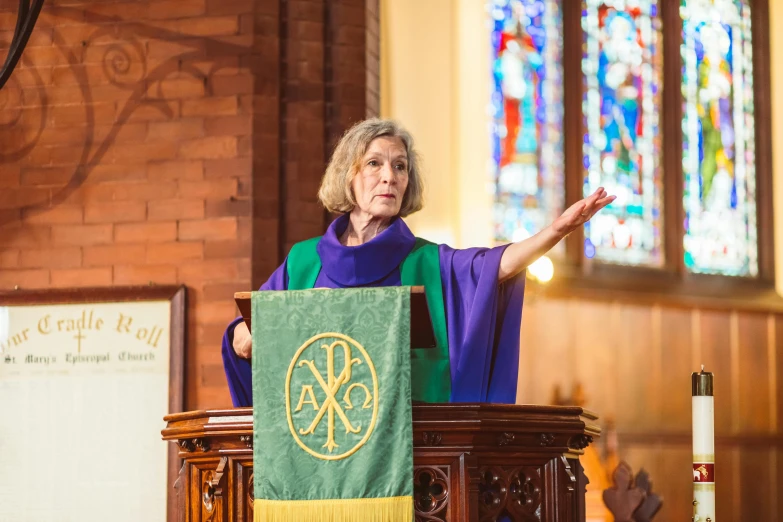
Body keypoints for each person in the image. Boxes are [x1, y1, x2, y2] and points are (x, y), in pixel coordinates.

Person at [221, 118, 614, 407]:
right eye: (374, 164)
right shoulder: (303, 261)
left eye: (400, 166)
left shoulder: (426, 261)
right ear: (348, 175)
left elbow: (498, 266)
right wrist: (244, 336)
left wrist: (557, 230)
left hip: (412, 452)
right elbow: (251, 328)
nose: (389, 177)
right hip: (318, 438)